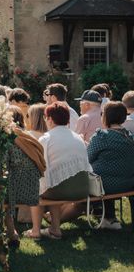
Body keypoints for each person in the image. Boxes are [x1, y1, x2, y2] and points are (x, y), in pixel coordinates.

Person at [58, 101, 134, 231]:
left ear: (105, 116)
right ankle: (109, 218)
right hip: (128, 182)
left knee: (77, 180)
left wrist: (82, 143)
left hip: (102, 185)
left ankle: (55, 218)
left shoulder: (102, 136)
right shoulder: (130, 136)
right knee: (106, 172)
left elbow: (87, 158)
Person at [31, 102, 93, 240]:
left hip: (62, 189)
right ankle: (55, 229)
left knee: (35, 188)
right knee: (54, 180)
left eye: (46, 118)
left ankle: (35, 231)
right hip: (83, 187)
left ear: (50, 119)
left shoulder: (46, 138)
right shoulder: (77, 137)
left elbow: (41, 166)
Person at [4, 107, 45, 244]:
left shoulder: (9, 137)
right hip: (33, 182)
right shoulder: (28, 136)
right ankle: (32, 229)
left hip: (16, 185)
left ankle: (11, 232)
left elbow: (5, 164)